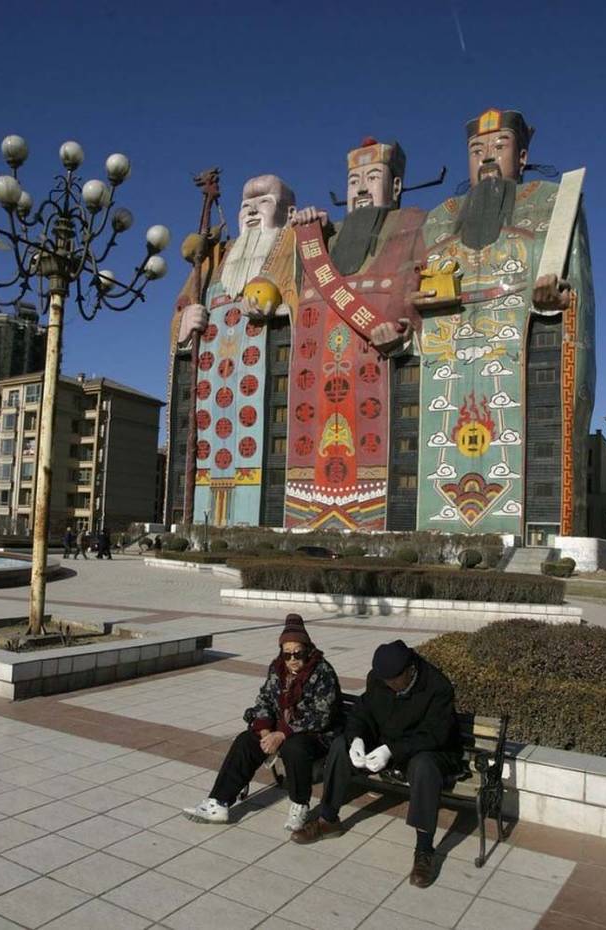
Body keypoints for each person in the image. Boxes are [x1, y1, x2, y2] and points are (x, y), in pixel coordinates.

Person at [415, 108, 595, 536]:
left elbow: (577, 280)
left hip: (522, 345)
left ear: (523, 154)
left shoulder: (555, 200)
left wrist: (559, 297)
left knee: (526, 450)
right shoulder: (440, 216)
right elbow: (415, 285)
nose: (488, 156)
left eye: (500, 146)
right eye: (477, 150)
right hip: (450, 352)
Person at [285, 138, 426, 531]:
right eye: (353, 180)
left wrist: (400, 321)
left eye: (373, 177)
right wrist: (306, 231)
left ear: (395, 187)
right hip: (318, 375)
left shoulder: (413, 222)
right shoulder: (321, 236)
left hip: (377, 370)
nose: (361, 188)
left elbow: (417, 278)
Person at [173, 173, 300, 527]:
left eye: (264, 203)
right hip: (212, 391)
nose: (254, 212)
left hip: (265, 383)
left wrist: (283, 307)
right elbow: (182, 305)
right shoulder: (215, 259)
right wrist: (185, 323)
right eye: (247, 206)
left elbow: (313, 301)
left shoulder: (295, 247)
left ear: (288, 212)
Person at [291, 639, 463, 890]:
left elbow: (436, 734)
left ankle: (424, 850)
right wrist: (357, 739)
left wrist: (390, 750)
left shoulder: (437, 686)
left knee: (424, 767)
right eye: (385, 681)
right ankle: (329, 820)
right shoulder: (379, 678)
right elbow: (363, 711)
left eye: (394, 680)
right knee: (340, 745)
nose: (390, 686)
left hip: (429, 751)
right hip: (388, 744)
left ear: (409, 670)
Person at [184, 613, 342, 832]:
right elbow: (264, 700)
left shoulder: (323, 672)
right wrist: (266, 731)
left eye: (298, 653)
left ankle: (299, 805)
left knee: (294, 748)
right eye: (287, 654)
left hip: (316, 734)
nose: (293, 659)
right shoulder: (277, 668)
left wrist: (282, 734)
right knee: (246, 741)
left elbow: (322, 716)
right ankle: (219, 802)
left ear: (308, 649)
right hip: (280, 729)